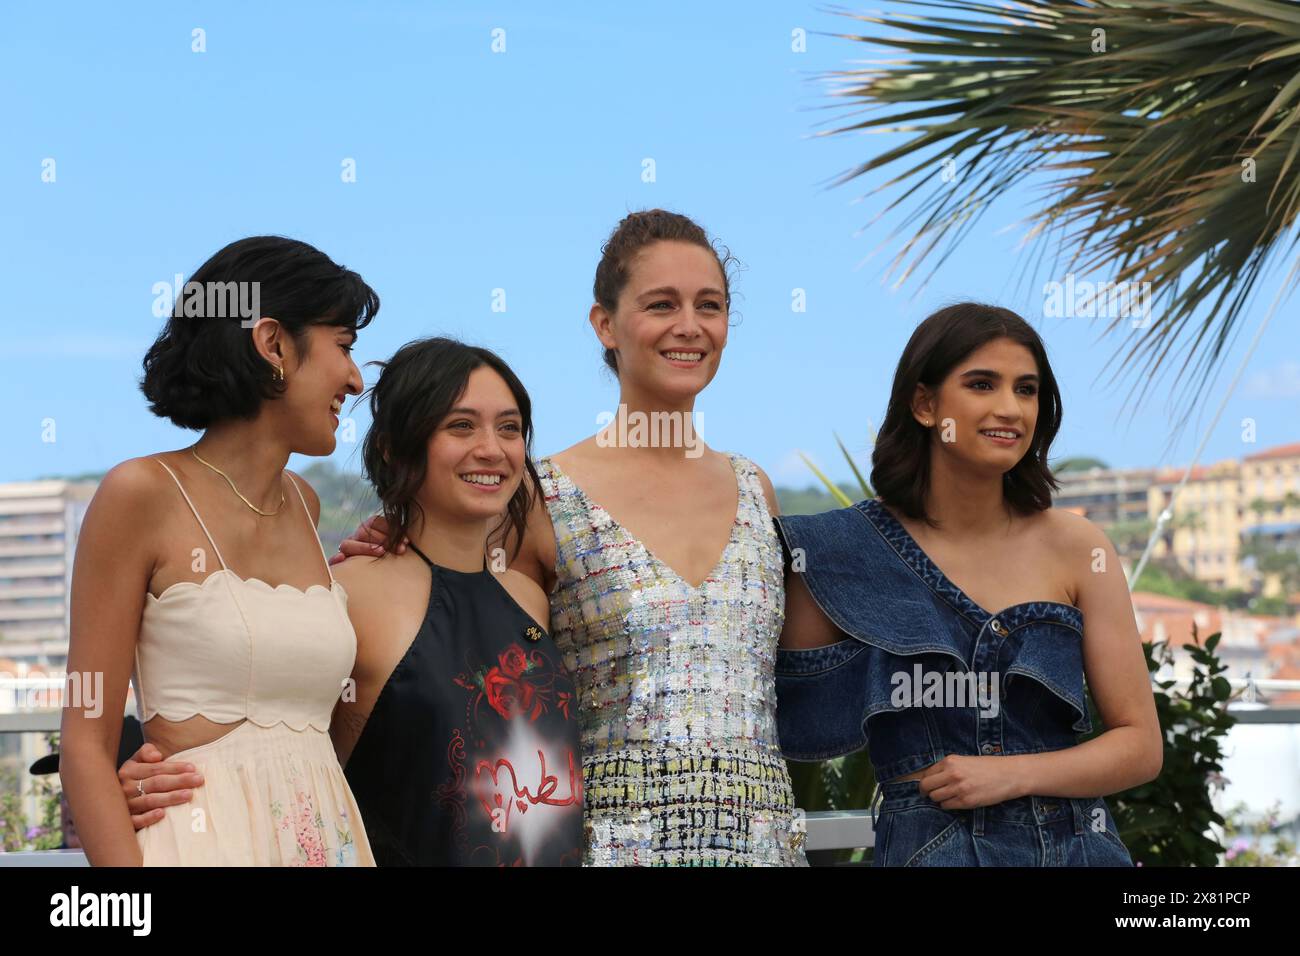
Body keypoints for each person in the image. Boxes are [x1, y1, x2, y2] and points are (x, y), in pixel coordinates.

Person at [335, 210, 807, 866]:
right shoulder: (540, 494)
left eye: (711, 305)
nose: (690, 326)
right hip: (601, 848)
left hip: (763, 848)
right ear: (604, 324)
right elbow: (457, 615)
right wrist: (392, 542)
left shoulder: (757, 488)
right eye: (661, 304)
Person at [775, 302, 1163, 866]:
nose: (1010, 408)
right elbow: (770, 712)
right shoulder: (840, 549)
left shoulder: (1081, 548)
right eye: (983, 384)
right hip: (932, 848)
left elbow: (1140, 746)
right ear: (926, 404)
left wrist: (1010, 774)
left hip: (1081, 849)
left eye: (1026, 390)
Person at [60, 236, 378, 866]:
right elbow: (85, 745)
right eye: (343, 346)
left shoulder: (309, 507)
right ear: (272, 344)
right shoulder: (140, 494)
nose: (354, 377)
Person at [331, 337, 584, 865]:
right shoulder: (348, 594)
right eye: (461, 425)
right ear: (394, 447)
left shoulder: (529, 599)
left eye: (509, 428)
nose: (492, 449)